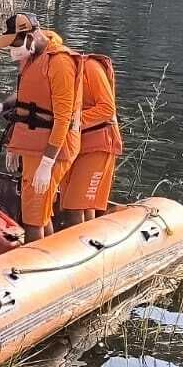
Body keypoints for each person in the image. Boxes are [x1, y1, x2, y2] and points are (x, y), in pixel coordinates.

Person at [0, 14, 81, 242]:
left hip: (54, 149)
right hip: (33, 145)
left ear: (30, 36)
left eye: (14, 44)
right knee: (38, 212)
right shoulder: (32, 56)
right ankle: (50, 253)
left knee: (33, 218)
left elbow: (62, 119)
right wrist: (4, 105)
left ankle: (34, 262)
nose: (12, 51)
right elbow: (26, 96)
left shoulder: (60, 63)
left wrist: (47, 164)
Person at [54, 47, 122, 230]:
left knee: (74, 206)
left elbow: (108, 108)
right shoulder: (54, 74)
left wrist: (74, 120)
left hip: (98, 143)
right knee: (75, 203)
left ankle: (78, 246)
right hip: (73, 145)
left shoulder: (90, 68)